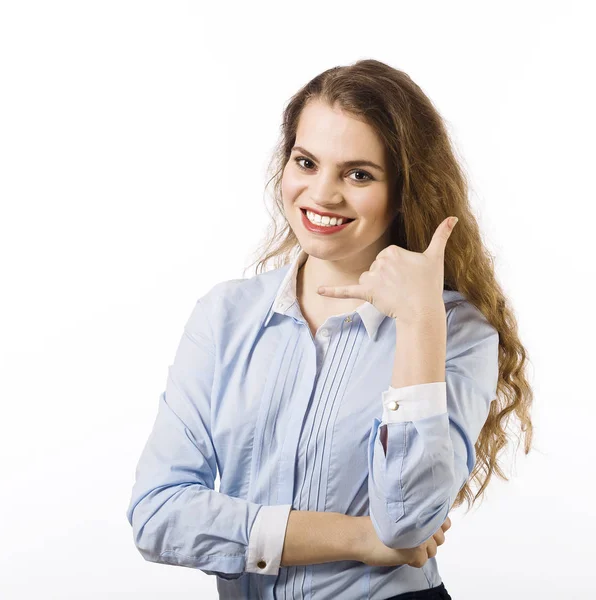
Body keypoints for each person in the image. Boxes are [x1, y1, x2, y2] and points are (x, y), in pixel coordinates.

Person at [126, 59, 534, 600]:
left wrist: (417, 322)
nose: (323, 194)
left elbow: (409, 522)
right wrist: (361, 538)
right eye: (306, 162)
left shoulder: (452, 330)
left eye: (358, 173)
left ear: (404, 189)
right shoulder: (224, 316)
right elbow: (158, 513)